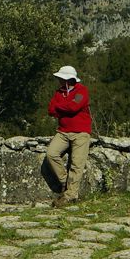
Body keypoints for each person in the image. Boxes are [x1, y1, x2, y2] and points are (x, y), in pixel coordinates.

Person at [45, 65, 93, 206]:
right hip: (63, 131)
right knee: (51, 154)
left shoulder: (82, 91)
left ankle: (70, 195)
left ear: (68, 80)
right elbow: (50, 110)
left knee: (77, 164)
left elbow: (74, 107)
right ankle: (65, 183)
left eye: (61, 78)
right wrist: (65, 106)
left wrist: (60, 106)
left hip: (81, 133)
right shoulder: (59, 92)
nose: (59, 81)